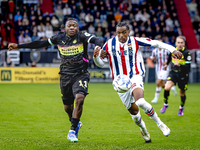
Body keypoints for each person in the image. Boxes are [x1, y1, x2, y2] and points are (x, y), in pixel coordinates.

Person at [8, 18, 104, 142]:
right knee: (67, 108)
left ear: (78, 28)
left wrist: (99, 47)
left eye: (74, 25)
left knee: (80, 99)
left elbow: (97, 40)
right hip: (65, 75)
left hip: (81, 74)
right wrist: (18, 46)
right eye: (69, 25)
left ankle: (72, 130)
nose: (72, 27)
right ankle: (74, 122)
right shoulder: (59, 38)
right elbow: (39, 44)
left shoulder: (82, 36)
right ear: (65, 28)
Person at [93, 22, 182, 142]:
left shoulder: (135, 41)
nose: (121, 35)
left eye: (124, 32)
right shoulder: (109, 44)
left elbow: (155, 43)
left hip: (135, 76)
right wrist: (96, 57)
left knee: (140, 101)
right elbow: (101, 63)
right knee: (134, 113)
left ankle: (160, 124)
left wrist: (173, 49)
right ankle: (144, 130)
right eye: (118, 33)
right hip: (119, 83)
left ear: (128, 32)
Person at [160, 36, 191, 116]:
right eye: (178, 43)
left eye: (181, 43)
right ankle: (166, 104)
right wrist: (166, 64)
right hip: (173, 73)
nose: (180, 44)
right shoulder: (173, 50)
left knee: (182, 93)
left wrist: (179, 64)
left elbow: (188, 67)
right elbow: (170, 59)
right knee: (167, 88)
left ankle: (181, 107)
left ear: (184, 43)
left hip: (183, 75)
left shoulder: (187, 53)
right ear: (176, 43)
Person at [150, 39, 177, 103]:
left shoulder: (166, 50)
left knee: (158, 82)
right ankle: (172, 88)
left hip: (165, 68)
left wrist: (167, 63)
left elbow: (171, 57)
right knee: (161, 84)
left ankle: (155, 98)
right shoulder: (154, 51)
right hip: (158, 68)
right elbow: (151, 59)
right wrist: (152, 59)